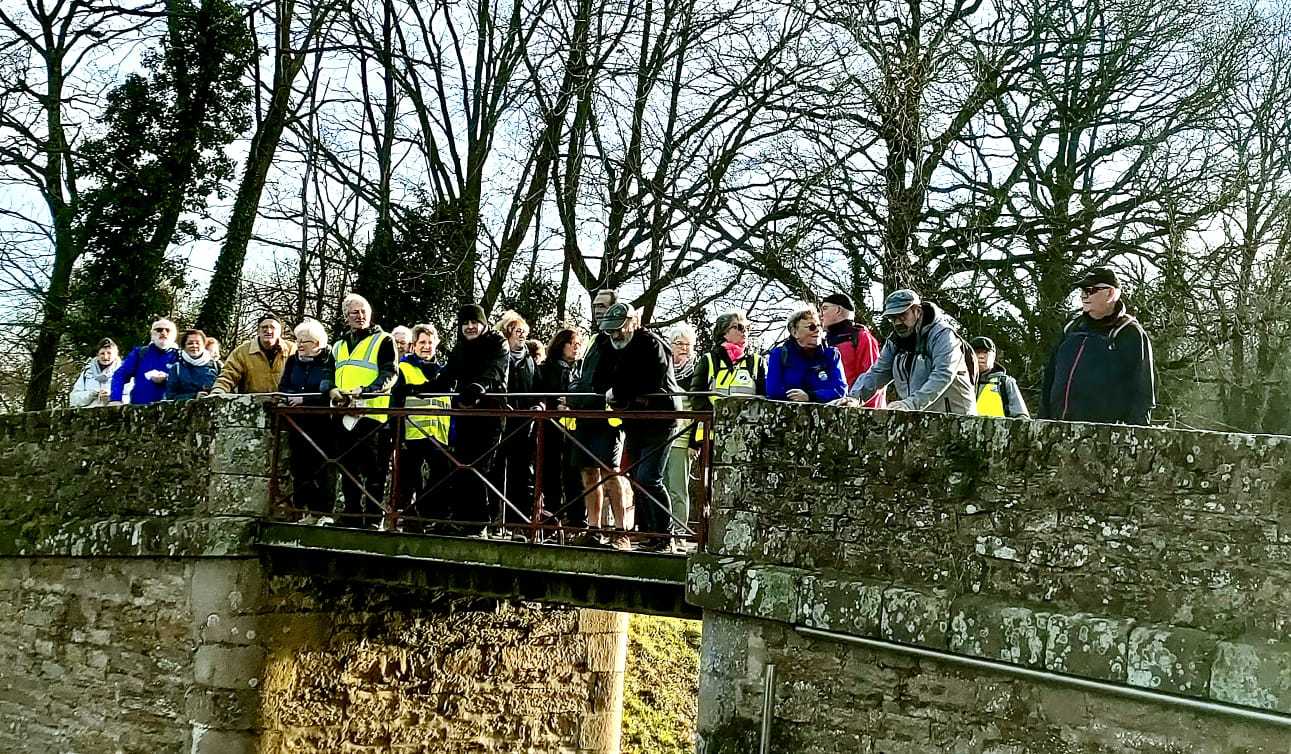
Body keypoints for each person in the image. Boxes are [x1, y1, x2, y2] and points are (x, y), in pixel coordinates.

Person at [597, 302, 683, 551]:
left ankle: (665, 535)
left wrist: (618, 391)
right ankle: (649, 533)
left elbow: (651, 380)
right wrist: (613, 391)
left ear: (632, 323)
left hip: (660, 418)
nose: (614, 334)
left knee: (649, 477)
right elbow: (598, 379)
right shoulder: (608, 345)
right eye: (610, 329)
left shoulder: (651, 344)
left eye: (618, 328)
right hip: (633, 419)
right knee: (636, 477)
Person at [1041, 267, 1155, 425]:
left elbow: (1143, 391)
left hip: (1103, 433)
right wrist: (1043, 420)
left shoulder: (1129, 331)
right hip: (1057, 427)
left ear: (1110, 293)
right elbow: (1050, 376)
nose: (1083, 296)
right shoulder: (1072, 327)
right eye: (1082, 290)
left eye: (1090, 290)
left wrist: (1134, 433)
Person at [434, 304, 509, 534]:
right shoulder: (460, 347)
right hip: (465, 412)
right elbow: (448, 375)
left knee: (480, 466)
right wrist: (422, 389)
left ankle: (479, 523)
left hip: (490, 413)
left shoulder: (497, 343)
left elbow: (495, 371)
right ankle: (463, 519)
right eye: (465, 323)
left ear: (483, 323)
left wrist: (478, 387)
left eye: (474, 322)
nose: (469, 327)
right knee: (461, 464)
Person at [326, 294, 399, 524]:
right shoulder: (338, 345)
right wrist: (331, 390)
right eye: (355, 312)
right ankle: (352, 514)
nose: (360, 316)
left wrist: (367, 391)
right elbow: (327, 374)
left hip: (372, 414)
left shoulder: (384, 340)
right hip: (344, 413)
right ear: (346, 316)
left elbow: (390, 372)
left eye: (364, 311)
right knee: (348, 468)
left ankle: (375, 517)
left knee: (375, 470)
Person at [846, 290, 977, 414]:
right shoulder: (895, 341)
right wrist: (853, 398)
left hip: (956, 419)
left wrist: (910, 405)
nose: (897, 322)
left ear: (917, 311)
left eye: (902, 316)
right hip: (919, 418)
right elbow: (878, 373)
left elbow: (943, 374)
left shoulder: (943, 335)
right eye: (893, 318)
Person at [568, 289, 629, 546]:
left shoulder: (622, 340)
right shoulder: (594, 339)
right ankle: (593, 528)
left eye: (603, 306)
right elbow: (583, 375)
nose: (598, 311)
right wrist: (573, 394)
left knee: (610, 472)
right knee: (588, 472)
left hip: (608, 417)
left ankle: (621, 532)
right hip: (585, 414)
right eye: (595, 306)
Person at [391, 323, 451, 526]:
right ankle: (407, 517)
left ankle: (429, 517)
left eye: (430, 342)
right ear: (414, 345)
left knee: (440, 477)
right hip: (412, 433)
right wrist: (398, 433)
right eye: (422, 342)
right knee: (409, 479)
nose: (426, 346)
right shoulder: (403, 369)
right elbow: (396, 403)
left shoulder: (444, 372)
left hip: (439, 433)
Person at [278, 319, 337, 514]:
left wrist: (304, 399)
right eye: (298, 340)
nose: (299, 345)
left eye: (305, 341)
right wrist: (290, 397)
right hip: (297, 421)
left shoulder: (329, 360)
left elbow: (329, 390)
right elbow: (284, 385)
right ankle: (301, 509)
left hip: (322, 422)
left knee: (322, 466)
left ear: (318, 343)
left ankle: (322, 511)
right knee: (300, 466)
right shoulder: (292, 361)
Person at [493, 311, 540, 530]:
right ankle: (494, 519)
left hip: (524, 423)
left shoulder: (529, 360)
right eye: (517, 331)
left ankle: (517, 522)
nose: (522, 335)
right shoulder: (498, 357)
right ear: (507, 332)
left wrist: (539, 405)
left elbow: (538, 388)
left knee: (521, 473)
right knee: (496, 470)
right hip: (500, 422)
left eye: (524, 332)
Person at [536, 327, 586, 527]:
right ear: (560, 345)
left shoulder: (583, 368)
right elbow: (541, 393)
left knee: (575, 473)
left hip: (576, 427)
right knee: (551, 472)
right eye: (571, 343)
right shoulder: (546, 368)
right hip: (551, 426)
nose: (576, 348)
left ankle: (577, 519)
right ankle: (552, 517)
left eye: (578, 344)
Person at [766, 306, 847, 403]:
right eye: (811, 327)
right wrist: (795, 396)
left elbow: (840, 390)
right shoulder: (779, 355)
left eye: (819, 326)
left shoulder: (831, 355)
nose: (817, 330)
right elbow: (773, 390)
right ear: (794, 332)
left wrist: (810, 396)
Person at [820, 293, 885, 408]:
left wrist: (866, 411)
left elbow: (873, 376)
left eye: (825, 308)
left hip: (856, 408)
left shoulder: (861, 337)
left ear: (838, 310)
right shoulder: (823, 342)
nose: (820, 315)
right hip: (829, 408)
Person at [664, 324, 698, 544]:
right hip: (661, 437)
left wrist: (695, 443)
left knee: (678, 489)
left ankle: (679, 534)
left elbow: (698, 410)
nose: (684, 348)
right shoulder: (663, 369)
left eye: (688, 344)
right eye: (679, 343)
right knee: (660, 487)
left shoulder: (695, 373)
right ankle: (661, 532)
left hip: (682, 439)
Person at [210, 314, 297, 395]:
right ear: (258, 331)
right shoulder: (242, 352)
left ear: (280, 332)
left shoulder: (292, 350)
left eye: (273, 327)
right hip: (252, 403)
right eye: (264, 327)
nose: (268, 331)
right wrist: (217, 392)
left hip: (286, 403)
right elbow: (227, 376)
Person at [111, 319, 179, 405]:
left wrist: (168, 379)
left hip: (171, 408)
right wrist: (115, 399)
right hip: (140, 407)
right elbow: (120, 374)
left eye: (168, 330)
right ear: (152, 335)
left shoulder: (180, 356)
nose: (163, 333)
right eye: (159, 330)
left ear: (174, 335)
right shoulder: (140, 353)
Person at [972, 337, 1030, 419]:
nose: (981, 356)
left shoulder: (1005, 383)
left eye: (985, 352)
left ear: (993, 356)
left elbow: (1021, 417)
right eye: (977, 352)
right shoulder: (962, 381)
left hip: (998, 427)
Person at [165, 329, 219, 401]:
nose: (194, 346)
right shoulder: (176, 368)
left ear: (204, 345)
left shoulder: (216, 366)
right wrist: (194, 396)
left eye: (198, 343)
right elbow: (170, 396)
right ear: (184, 346)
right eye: (190, 343)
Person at [70, 338, 125, 407]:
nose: (105, 357)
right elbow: (74, 399)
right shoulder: (87, 373)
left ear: (115, 354)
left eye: (109, 353)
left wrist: (112, 395)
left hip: (117, 412)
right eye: (102, 353)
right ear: (97, 354)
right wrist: (92, 394)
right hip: (90, 412)